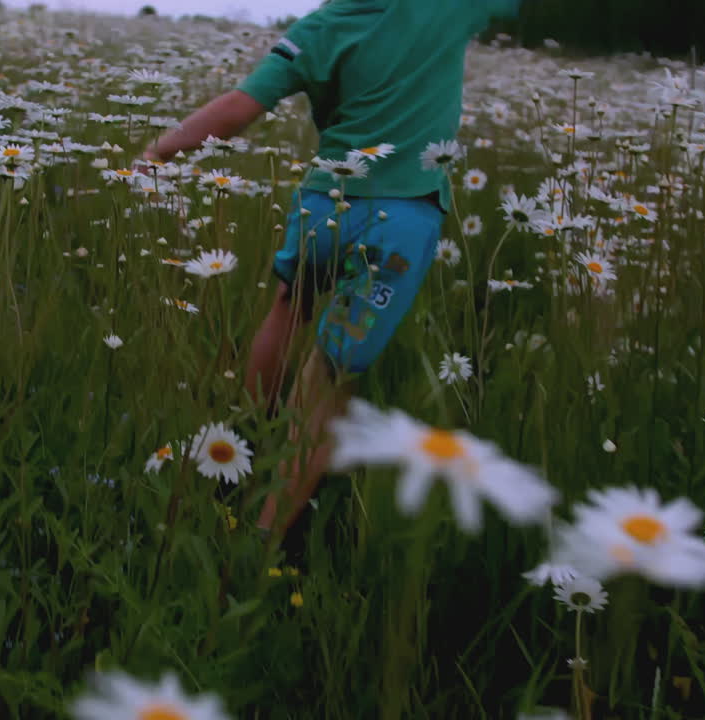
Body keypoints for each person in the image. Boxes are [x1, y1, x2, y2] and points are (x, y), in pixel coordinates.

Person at [140, 0, 522, 538]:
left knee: (288, 303)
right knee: (330, 373)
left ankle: (237, 444)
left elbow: (239, 107)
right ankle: (261, 542)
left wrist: (157, 151)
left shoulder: (320, 26)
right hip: (399, 221)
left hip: (323, 202)